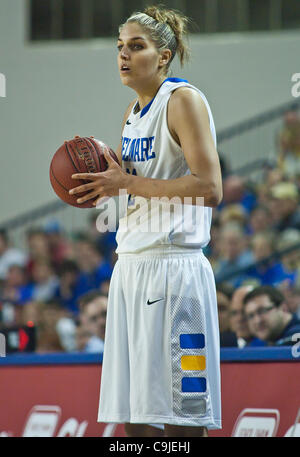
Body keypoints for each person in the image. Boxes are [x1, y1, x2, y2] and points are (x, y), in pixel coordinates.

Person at [69, 5, 222, 437]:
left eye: (137, 46)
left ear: (164, 55)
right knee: (136, 416)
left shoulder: (183, 100)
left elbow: (210, 188)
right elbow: (137, 188)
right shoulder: (132, 114)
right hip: (132, 266)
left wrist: (129, 184)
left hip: (174, 270)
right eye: (120, 47)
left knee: (181, 415)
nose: (124, 55)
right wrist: (106, 188)